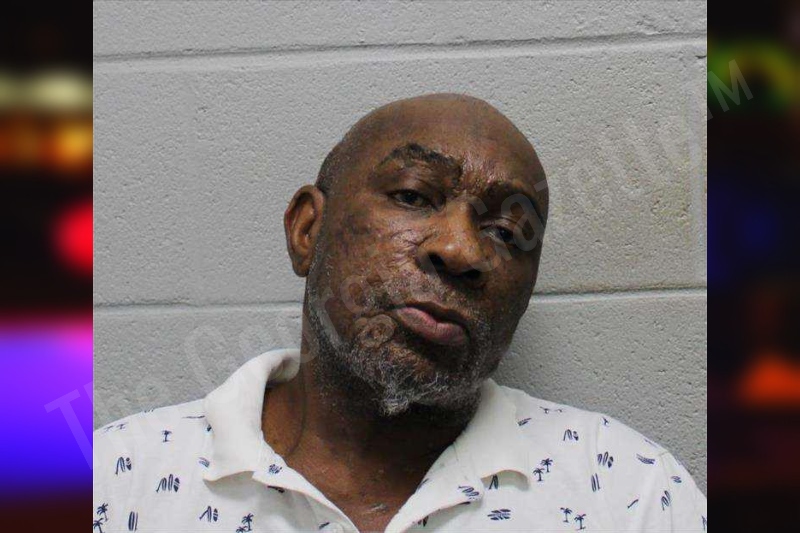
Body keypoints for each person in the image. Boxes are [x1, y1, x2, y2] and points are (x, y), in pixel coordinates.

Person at [93, 93, 707, 532]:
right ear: (307, 231)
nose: (462, 250)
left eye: (508, 231)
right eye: (413, 196)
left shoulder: (630, 493)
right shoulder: (118, 484)